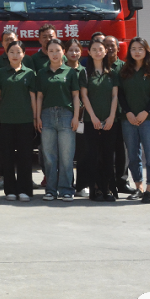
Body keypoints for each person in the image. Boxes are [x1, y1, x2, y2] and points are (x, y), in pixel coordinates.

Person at [34, 38, 80, 202]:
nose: (54, 54)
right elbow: (39, 97)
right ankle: (51, 190)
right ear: (47, 53)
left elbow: (76, 96)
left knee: (67, 156)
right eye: (51, 51)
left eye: (57, 50)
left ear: (63, 52)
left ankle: (66, 189)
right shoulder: (42, 73)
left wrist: (76, 117)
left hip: (66, 116)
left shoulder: (70, 72)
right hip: (46, 116)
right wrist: (37, 117)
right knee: (49, 156)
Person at [118, 37, 150, 203]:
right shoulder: (124, 71)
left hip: (148, 119)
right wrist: (128, 112)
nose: (137, 52)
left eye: (140, 49)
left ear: (146, 51)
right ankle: (139, 187)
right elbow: (120, 94)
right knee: (133, 155)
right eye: (133, 49)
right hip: (128, 119)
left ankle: (149, 189)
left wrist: (146, 112)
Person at [0, 40, 36, 201]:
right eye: (12, 52)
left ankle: (25, 189)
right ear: (7, 54)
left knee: (25, 156)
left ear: (24, 54)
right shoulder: (0, 73)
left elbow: (33, 98)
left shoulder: (30, 73)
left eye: (18, 52)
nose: (15, 55)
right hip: (5, 120)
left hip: (25, 120)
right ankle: (10, 189)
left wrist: (35, 117)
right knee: (7, 155)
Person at [80, 37, 120, 202]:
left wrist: (111, 117)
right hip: (91, 121)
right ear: (89, 52)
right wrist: (93, 117)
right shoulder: (85, 73)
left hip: (110, 121)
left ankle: (108, 189)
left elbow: (115, 96)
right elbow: (84, 96)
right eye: (94, 49)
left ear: (105, 52)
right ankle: (95, 189)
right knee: (93, 156)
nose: (98, 52)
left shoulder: (112, 73)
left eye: (100, 49)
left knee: (108, 156)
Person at [103, 35, 132, 194]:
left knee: (122, 150)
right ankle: (107, 183)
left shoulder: (125, 68)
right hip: (103, 115)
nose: (109, 48)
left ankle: (122, 182)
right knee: (106, 151)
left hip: (122, 115)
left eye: (112, 45)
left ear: (118, 48)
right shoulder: (98, 67)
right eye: (106, 45)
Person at [65, 39, 89, 197]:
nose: (74, 53)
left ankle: (82, 185)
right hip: (64, 115)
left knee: (82, 151)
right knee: (66, 153)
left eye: (77, 50)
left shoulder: (84, 71)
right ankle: (67, 184)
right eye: (71, 50)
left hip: (82, 117)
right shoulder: (61, 70)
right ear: (65, 52)